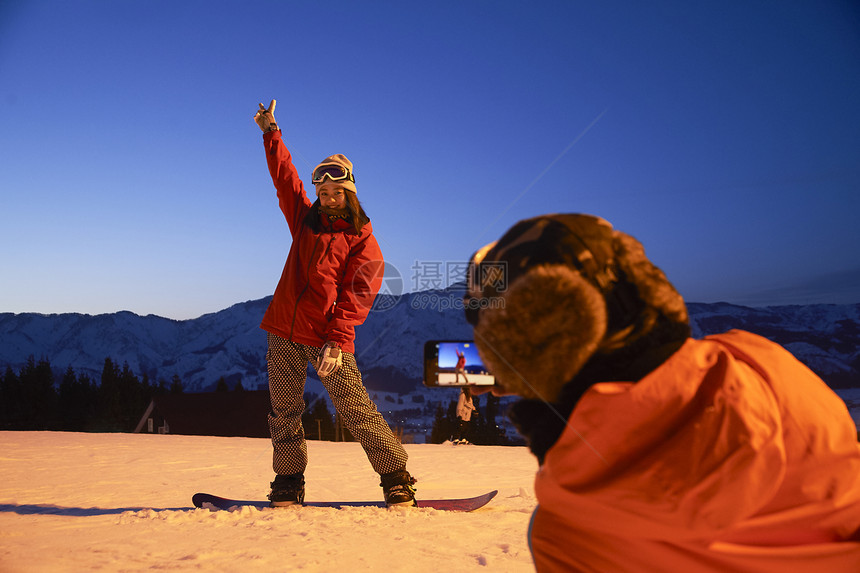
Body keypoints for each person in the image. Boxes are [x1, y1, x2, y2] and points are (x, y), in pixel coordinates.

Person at [464, 213, 860, 572]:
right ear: (646, 285)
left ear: (516, 348)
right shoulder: (772, 370)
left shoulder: (563, 535)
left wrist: (545, 400)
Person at [253, 100, 415, 507]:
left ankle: (397, 477)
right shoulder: (305, 221)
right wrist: (272, 132)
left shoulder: (362, 240)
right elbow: (285, 180)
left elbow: (358, 295)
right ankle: (289, 481)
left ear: (350, 193)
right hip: (282, 334)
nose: (328, 197)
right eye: (322, 192)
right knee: (284, 412)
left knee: (354, 408)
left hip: (327, 339)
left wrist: (338, 340)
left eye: (336, 191)